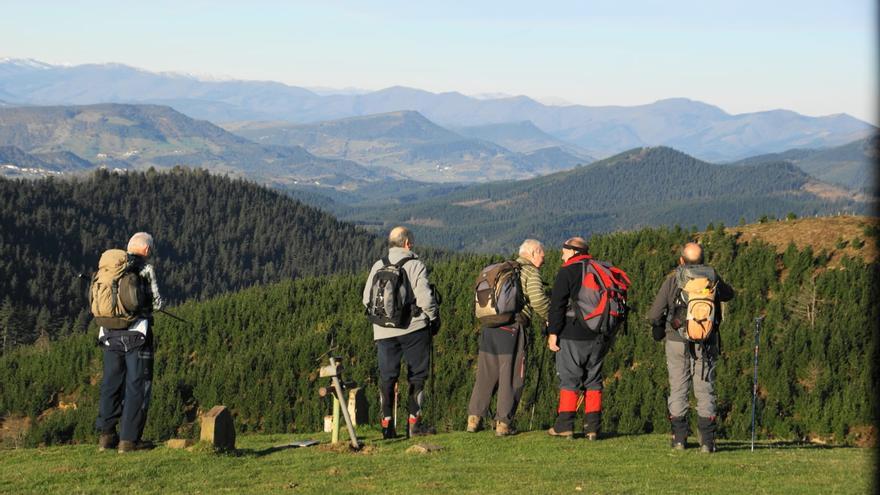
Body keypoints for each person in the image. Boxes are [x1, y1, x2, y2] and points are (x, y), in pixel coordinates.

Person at [647, 242, 734, 453]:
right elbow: (729, 294)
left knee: (678, 387)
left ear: (681, 260)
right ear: (703, 260)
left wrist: (660, 328)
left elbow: (654, 314)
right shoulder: (712, 278)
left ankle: (679, 439)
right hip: (706, 340)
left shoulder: (673, 281)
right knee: (705, 388)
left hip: (676, 340)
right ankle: (707, 442)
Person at [466, 239, 550, 436]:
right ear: (533, 253)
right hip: (512, 327)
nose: (544, 258)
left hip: (489, 327)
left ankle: (473, 419)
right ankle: (503, 423)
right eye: (542, 254)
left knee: (486, 375)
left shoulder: (505, 268)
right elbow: (538, 300)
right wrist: (550, 316)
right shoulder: (530, 272)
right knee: (511, 375)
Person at [363, 226, 440, 439]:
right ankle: (414, 425)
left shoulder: (378, 265)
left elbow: (366, 299)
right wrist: (432, 319)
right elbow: (425, 299)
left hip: (383, 330)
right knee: (417, 375)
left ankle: (387, 425)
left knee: (387, 377)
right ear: (407, 243)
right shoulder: (415, 265)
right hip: (413, 328)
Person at [95, 232, 163, 453]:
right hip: (136, 335)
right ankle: (129, 440)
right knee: (137, 385)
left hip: (108, 333)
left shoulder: (110, 267)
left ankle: (106, 436)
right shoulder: (145, 268)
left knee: (111, 383)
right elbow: (157, 303)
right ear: (146, 249)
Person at [546, 237, 612, 440]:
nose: (562, 256)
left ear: (574, 251)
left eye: (564, 251)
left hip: (572, 333)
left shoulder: (567, 271)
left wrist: (553, 333)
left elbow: (557, 305)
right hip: (599, 333)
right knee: (594, 380)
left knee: (569, 379)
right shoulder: (600, 269)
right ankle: (592, 428)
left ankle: (565, 425)